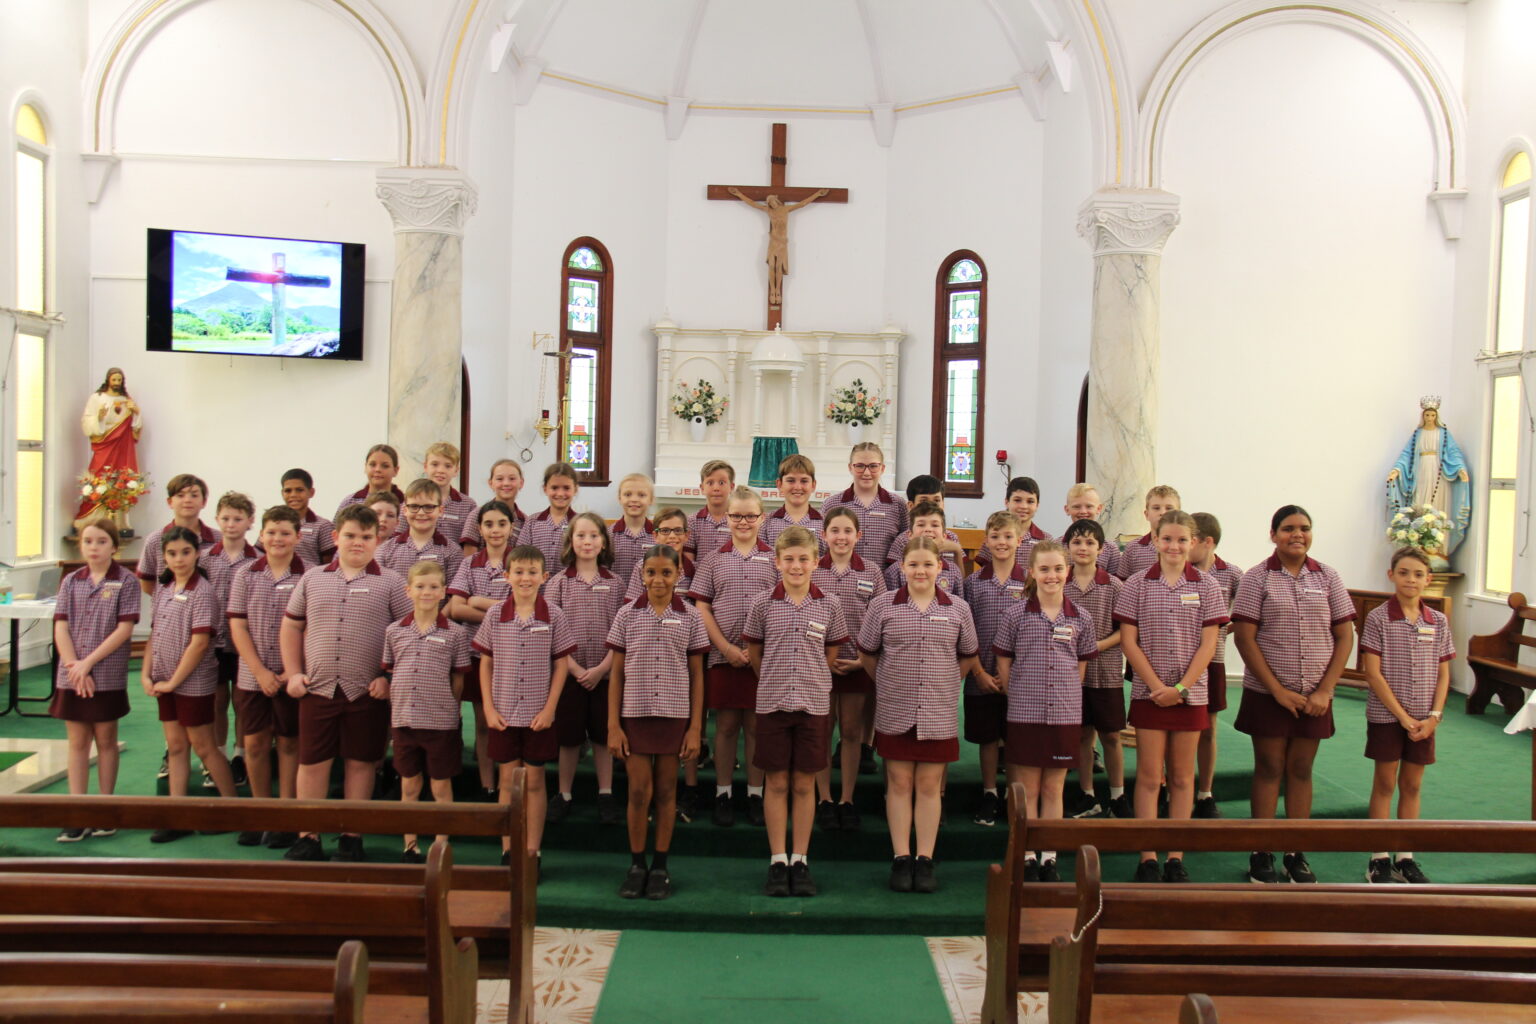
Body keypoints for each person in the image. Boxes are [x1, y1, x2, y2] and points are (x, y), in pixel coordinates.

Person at [1232, 504, 1356, 885]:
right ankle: (1262, 850)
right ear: (1273, 535)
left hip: (1315, 695)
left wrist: (1326, 689)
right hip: (1269, 692)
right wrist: (1277, 690)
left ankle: (1295, 850)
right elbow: (1244, 636)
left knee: (1301, 769)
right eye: (1288, 528)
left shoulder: (1328, 577)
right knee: (1269, 768)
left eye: (1304, 527)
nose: (1297, 534)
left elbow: (1344, 635)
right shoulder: (1257, 578)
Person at [280, 505, 412, 862]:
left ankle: (351, 835)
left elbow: (407, 634)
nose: (358, 542)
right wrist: (293, 672)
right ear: (336, 537)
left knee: (361, 762)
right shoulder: (312, 578)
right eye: (351, 535)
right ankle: (308, 835)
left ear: (378, 540)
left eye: (366, 537)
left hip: (365, 690)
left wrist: (387, 677)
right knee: (313, 763)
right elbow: (292, 625)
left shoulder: (392, 582)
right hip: (318, 687)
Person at [859, 537, 979, 894]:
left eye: (928, 564)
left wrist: (943, 683)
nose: (920, 571)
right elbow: (867, 654)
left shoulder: (958, 608)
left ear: (940, 567)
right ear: (902, 568)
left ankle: (924, 858)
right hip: (896, 707)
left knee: (928, 786)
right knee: (898, 784)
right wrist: (888, 681)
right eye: (913, 564)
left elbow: (968, 654)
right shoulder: (883, 606)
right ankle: (901, 857)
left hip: (938, 711)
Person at [1116, 511, 1227, 883]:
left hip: (1190, 695)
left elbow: (1209, 644)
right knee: (1149, 777)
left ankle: (1175, 855)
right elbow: (1129, 641)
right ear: (1156, 540)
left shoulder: (1208, 586)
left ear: (1193, 543)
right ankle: (1147, 855)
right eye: (1167, 539)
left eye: (1182, 540)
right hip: (1150, 694)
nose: (1174, 546)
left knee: (1182, 778)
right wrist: (1155, 687)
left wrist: (1179, 688)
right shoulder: (1136, 584)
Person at [743, 527, 848, 897]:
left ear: (816, 562)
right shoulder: (762, 604)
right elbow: (755, 652)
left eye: (804, 558)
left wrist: (809, 677)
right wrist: (772, 677)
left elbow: (830, 654)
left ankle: (800, 859)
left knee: (805, 782)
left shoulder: (830, 605)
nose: (797, 565)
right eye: (789, 559)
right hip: (772, 702)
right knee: (777, 782)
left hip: (813, 703)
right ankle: (777, 860)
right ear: (777, 562)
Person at [606, 543, 708, 900]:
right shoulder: (626, 615)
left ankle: (660, 866)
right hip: (634, 715)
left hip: (674, 716)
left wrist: (695, 728)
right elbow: (616, 674)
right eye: (651, 572)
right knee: (638, 791)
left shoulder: (692, 616)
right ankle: (637, 864)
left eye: (667, 572)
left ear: (678, 574)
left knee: (666, 791)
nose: (659, 579)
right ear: (641, 574)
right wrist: (613, 725)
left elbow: (697, 675)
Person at [994, 539, 1098, 882]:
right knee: (1027, 790)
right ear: (1031, 572)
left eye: (1057, 568)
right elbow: (1004, 660)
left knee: (1054, 789)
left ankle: (1049, 856)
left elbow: (1079, 667)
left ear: (1067, 571)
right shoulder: (1015, 614)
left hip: (1064, 714)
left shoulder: (1081, 616)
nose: (1051, 575)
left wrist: (1066, 696)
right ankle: (1024, 852)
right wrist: (1017, 693)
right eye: (1044, 569)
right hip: (1025, 712)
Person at [474, 545, 577, 869]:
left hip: (537, 716)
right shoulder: (494, 615)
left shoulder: (554, 615)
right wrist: (489, 709)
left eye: (532, 572)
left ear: (544, 577)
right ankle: (509, 849)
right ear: (507, 576)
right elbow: (485, 664)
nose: (525, 578)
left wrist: (549, 710)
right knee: (507, 782)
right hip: (503, 714)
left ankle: (532, 851)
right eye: (518, 571)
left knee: (534, 782)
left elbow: (561, 665)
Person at [1360, 547, 1452, 884]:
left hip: (1424, 720)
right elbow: (1373, 673)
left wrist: (1434, 717)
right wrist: (1402, 716)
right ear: (1391, 576)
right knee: (1385, 784)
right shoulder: (1379, 617)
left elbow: (1444, 673)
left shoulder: (1437, 621)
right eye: (1403, 573)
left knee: (1412, 786)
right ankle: (1379, 856)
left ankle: (1405, 857)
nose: (1410, 580)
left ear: (1428, 579)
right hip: (1388, 717)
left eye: (1417, 574)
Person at [690, 486, 780, 827]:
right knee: (726, 726)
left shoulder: (774, 558)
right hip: (722, 655)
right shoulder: (713, 558)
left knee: (756, 726)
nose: (743, 522)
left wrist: (755, 650)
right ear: (727, 518)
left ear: (763, 518)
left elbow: (780, 607)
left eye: (750, 515)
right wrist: (726, 648)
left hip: (762, 658)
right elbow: (702, 605)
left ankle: (755, 794)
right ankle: (723, 792)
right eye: (736, 515)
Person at [144, 526, 238, 842]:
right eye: (172, 553)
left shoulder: (203, 592)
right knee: (176, 746)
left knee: (204, 746)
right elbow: (153, 637)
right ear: (164, 557)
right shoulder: (164, 589)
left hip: (192, 682)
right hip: (164, 680)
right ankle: (177, 813)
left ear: (196, 554)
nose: (179, 559)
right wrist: (147, 674)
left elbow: (199, 644)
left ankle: (234, 809)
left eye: (185, 552)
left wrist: (173, 682)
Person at [51, 519, 139, 840]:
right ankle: (78, 811)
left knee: (105, 740)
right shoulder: (71, 580)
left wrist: (88, 663)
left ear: (114, 546)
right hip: (72, 673)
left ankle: (104, 808)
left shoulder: (126, 581)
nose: (94, 547)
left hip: (105, 673)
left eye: (101, 541)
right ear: (81, 545)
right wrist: (74, 665)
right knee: (77, 742)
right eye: (88, 541)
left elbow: (124, 628)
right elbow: (61, 625)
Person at [383, 561, 471, 864]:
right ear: (408, 591)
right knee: (409, 783)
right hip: (405, 719)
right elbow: (393, 670)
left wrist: (451, 707)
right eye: (420, 586)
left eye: (434, 587)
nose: (427, 592)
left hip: (440, 721)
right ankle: (410, 844)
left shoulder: (456, 634)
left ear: (444, 592)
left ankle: (441, 842)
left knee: (440, 783)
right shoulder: (394, 631)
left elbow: (458, 678)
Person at [228, 505, 306, 848]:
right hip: (253, 676)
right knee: (255, 743)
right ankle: (261, 812)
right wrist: (259, 671)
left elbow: (310, 627)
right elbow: (238, 624)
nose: (277, 538)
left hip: (292, 675)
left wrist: (291, 671)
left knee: (289, 742)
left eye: (285, 532)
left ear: (297, 538)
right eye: (271, 532)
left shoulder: (310, 574)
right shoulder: (246, 574)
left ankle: (286, 815)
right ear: (261, 535)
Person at [545, 512, 625, 826]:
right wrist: (576, 670)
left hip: (605, 675)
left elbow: (621, 631)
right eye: (581, 535)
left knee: (604, 737)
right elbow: (551, 631)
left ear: (603, 542)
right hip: (569, 674)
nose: (587, 541)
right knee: (569, 739)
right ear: (571, 541)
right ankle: (564, 793)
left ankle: (605, 792)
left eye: (594, 535)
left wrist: (604, 667)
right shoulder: (558, 583)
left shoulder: (615, 583)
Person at [810, 507, 885, 831]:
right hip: (818, 666)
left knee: (852, 732)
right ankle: (825, 797)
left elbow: (882, 619)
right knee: (822, 732)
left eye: (847, 531)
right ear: (824, 535)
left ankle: (847, 798)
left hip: (856, 664)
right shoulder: (813, 570)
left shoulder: (871, 572)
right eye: (835, 531)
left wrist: (863, 660)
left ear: (859, 535)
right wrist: (821, 661)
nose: (841, 537)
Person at [447, 500, 518, 798]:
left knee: (510, 723)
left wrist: (478, 602)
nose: (495, 530)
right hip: (477, 653)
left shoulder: (521, 561)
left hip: (514, 655)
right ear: (479, 529)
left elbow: (525, 607)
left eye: (501, 524)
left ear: (511, 527)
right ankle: (487, 785)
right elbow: (455, 608)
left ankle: (510, 787)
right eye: (489, 524)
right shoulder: (469, 563)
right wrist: (500, 613)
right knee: (485, 722)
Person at [961, 511, 1028, 827]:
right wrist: (978, 672)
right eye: (996, 536)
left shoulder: (1030, 581)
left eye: (1008, 536)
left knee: (1014, 737)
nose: (1002, 542)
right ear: (986, 541)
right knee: (988, 738)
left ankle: (1014, 798)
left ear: (1020, 539)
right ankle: (990, 793)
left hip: (1019, 677)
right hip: (982, 673)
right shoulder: (973, 583)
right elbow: (965, 631)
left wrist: (1014, 676)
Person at [1062, 519, 1128, 819]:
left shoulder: (1114, 585)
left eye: (1089, 543)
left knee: (1111, 736)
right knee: (1082, 736)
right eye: (1077, 542)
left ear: (1101, 549)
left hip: (1106, 671)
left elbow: (1125, 631)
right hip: (1072, 674)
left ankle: (1118, 795)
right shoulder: (1061, 583)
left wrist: (1095, 646)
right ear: (1068, 548)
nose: (1083, 548)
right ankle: (1087, 794)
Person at [201, 492, 258, 790]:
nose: (231, 524)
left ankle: (241, 755)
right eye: (225, 518)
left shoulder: (258, 560)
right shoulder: (205, 558)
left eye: (238, 519)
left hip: (244, 642)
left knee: (242, 701)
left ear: (250, 521)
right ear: (217, 520)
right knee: (217, 699)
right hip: (212, 642)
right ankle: (217, 754)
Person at [1189, 512, 1243, 819]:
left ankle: (1205, 792)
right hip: (1181, 659)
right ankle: (1173, 787)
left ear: (1207, 542)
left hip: (1213, 661)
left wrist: (1221, 631)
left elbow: (1245, 612)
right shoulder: (1181, 572)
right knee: (1180, 729)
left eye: (1192, 539)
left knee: (1208, 729)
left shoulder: (1232, 574)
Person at [1386, 398, 1471, 566]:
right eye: (1427, 415)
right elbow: (1406, 455)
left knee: (1437, 507)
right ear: (1423, 416)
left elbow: (1453, 452)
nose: (1430, 418)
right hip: (1421, 473)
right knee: (1419, 505)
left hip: (1438, 474)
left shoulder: (1443, 433)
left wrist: (1461, 469)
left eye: (1433, 415)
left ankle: (1437, 548)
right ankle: (1418, 545)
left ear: (1436, 416)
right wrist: (1396, 470)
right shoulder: (1418, 434)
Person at [725, 186, 829, 308]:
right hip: (773, 241)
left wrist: (817, 194)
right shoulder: (769, 211)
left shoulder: (786, 209)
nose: (772, 204)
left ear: (776, 201)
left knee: (779, 266)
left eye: (772, 201)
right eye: (769, 203)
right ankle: (772, 290)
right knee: (772, 265)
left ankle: (777, 291)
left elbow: (803, 204)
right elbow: (752, 204)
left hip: (782, 242)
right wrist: (738, 194)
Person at [74, 368, 142, 529]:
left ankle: (119, 521)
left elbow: (134, 426)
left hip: (122, 445)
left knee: (121, 477)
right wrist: (99, 418)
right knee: (98, 474)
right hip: (104, 443)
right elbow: (87, 420)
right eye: (114, 380)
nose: (117, 383)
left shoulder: (126, 399)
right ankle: (91, 517)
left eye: (119, 380)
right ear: (108, 380)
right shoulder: (97, 398)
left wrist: (137, 412)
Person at [822, 443, 909, 567]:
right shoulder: (832, 504)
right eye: (860, 466)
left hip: (886, 581)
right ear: (850, 468)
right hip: (841, 580)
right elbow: (821, 546)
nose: (867, 473)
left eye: (873, 466)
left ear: (882, 468)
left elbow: (905, 545)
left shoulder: (898, 504)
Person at [136, 473, 218, 597]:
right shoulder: (155, 539)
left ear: (204, 502)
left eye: (194, 495)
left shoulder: (218, 539)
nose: (187, 500)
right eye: (180, 495)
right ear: (170, 502)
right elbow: (146, 582)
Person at [377, 478, 464, 584]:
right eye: (414, 506)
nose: (421, 513)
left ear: (440, 510)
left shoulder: (453, 552)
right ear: (405, 510)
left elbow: (453, 597)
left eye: (428, 507)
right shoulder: (385, 551)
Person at [882, 474, 964, 568]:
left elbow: (960, 579)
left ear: (943, 504)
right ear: (911, 506)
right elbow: (894, 575)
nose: (930, 505)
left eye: (937, 500)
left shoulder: (952, 538)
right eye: (924, 500)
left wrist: (957, 550)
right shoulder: (902, 541)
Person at [884, 501, 964, 593]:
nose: (928, 529)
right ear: (910, 535)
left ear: (944, 536)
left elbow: (959, 604)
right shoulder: (895, 572)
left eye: (934, 525)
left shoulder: (954, 571)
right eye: (921, 525)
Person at [520, 463, 580, 581]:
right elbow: (521, 555)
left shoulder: (581, 523)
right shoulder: (532, 522)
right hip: (536, 589)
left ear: (575, 489)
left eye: (566, 488)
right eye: (554, 488)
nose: (560, 494)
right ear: (545, 489)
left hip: (569, 588)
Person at [974, 478, 1048, 567]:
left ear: (1037, 505)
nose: (1024, 506)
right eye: (1017, 500)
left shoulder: (1045, 540)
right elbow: (985, 569)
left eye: (1030, 501)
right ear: (1007, 502)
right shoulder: (995, 536)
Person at [461, 458, 527, 555]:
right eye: (500, 479)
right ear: (491, 483)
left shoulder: (525, 521)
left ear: (521, 483)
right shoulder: (477, 515)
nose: (506, 483)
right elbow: (468, 557)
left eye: (512, 479)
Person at [760, 455, 824, 553]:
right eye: (791, 481)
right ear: (779, 484)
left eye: (804, 481)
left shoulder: (824, 524)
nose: (797, 487)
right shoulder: (766, 523)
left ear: (813, 485)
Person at [1116, 485, 1181, 581]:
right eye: (1156, 508)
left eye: (1169, 508)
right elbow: (1122, 582)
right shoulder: (1133, 548)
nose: (1162, 513)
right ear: (1147, 514)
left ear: (1179, 514)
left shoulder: (1186, 548)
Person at [422, 442, 479, 544]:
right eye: (435, 464)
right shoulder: (413, 501)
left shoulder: (468, 505)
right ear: (425, 467)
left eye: (448, 466)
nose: (441, 470)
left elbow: (471, 543)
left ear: (456, 470)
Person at [278, 469, 336, 566]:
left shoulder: (323, 526)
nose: (293, 495)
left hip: (310, 579)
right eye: (288, 490)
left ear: (311, 492)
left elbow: (330, 564)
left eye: (299, 490)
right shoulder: (272, 524)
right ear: (282, 493)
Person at [1062, 483, 1119, 577]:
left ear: (1099, 508)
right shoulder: (1056, 546)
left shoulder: (1111, 549)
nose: (1083, 511)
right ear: (1067, 509)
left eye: (1089, 506)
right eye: (1076, 506)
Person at [334, 444, 405, 520]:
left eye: (385, 466)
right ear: (365, 467)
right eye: (372, 464)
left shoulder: (405, 505)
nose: (378, 469)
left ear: (395, 470)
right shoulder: (350, 502)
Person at [610, 473, 657, 584]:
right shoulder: (608, 535)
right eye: (628, 494)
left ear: (651, 499)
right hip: (616, 598)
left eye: (641, 495)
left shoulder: (658, 536)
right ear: (619, 498)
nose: (634, 499)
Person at [686, 460, 735, 564]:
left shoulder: (739, 520)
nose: (716, 488)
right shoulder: (691, 522)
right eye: (710, 483)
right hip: (700, 578)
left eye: (722, 483)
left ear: (731, 487)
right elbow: (688, 561)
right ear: (702, 488)